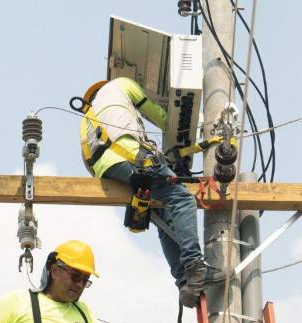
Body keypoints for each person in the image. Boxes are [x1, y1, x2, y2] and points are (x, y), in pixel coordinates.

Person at [78, 77, 207, 307]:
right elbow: (164, 118)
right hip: (130, 154)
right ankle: (193, 265)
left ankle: (183, 283)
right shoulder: (122, 84)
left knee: (165, 217)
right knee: (182, 199)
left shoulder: (89, 121)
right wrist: (200, 126)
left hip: (109, 169)